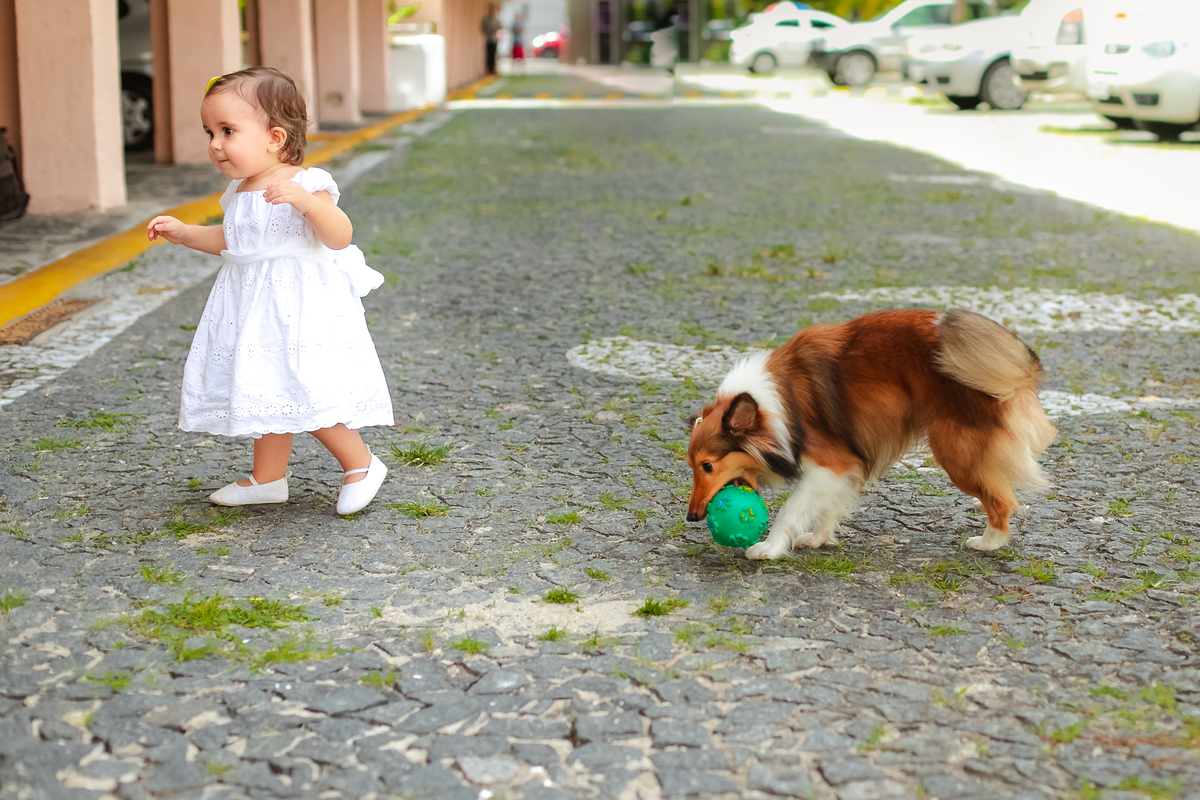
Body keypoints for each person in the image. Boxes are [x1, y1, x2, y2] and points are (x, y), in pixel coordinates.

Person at [146, 67, 393, 516]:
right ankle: (267, 477)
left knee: (303, 384)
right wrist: (185, 233)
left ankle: (361, 463)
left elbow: (339, 235)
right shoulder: (238, 191)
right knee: (267, 387)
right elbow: (233, 240)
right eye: (210, 132)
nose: (215, 144)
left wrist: (308, 204)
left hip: (297, 308)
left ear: (275, 137)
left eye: (227, 131)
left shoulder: (306, 183)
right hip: (253, 308)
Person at [481, 3, 501, 74]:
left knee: (493, 54)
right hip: (488, 38)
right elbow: (483, 28)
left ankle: (493, 69)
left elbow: (499, 27)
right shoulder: (486, 18)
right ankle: (488, 69)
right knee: (488, 54)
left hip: (494, 38)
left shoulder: (496, 19)